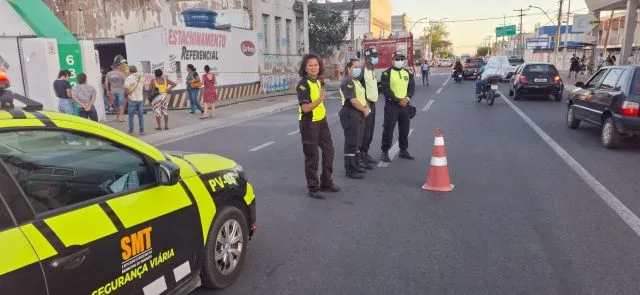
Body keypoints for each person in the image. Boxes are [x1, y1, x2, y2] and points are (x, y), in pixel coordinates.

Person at [296, 54, 339, 199]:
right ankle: (313, 187)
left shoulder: (318, 81)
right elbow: (306, 108)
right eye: (310, 65)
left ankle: (326, 182)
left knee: (329, 151)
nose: (314, 67)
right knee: (312, 156)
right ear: (305, 68)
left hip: (322, 121)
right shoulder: (303, 84)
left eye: (316, 65)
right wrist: (320, 99)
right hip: (309, 123)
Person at [380, 51, 415, 162]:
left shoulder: (407, 73)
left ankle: (403, 150)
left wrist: (407, 98)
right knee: (388, 129)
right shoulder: (386, 74)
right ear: (392, 60)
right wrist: (397, 100)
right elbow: (386, 90)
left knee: (404, 129)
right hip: (392, 106)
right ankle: (385, 151)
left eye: (401, 59)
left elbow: (411, 88)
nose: (400, 61)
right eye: (397, 59)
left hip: (405, 105)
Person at [340, 59, 371, 179]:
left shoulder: (356, 81)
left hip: (359, 113)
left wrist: (366, 106)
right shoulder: (347, 81)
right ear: (349, 69)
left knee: (358, 141)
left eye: (359, 67)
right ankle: (350, 169)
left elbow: (362, 97)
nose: (358, 69)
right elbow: (353, 100)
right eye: (355, 67)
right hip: (350, 113)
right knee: (351, 142)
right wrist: (364, 110)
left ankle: (356, 164)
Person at [358, 48, 380, 165]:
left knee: (370, 131)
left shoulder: (371, 69)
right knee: (365, 131)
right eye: (374, 56)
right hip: (366, 105)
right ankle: (361, 155)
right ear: (367, 57)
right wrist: (364, 103)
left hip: (373, 104)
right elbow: (357, 87)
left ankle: (365, 152)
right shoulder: (362, 70)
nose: (377, 58)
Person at [124, 65, 145, 135]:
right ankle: (142, 130)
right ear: (135, 70)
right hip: (140, 99)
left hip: (132, 99)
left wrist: (126, 94)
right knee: (141, 116)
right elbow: (143, 87)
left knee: (131, 116)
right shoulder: (141, 77)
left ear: (130, 71)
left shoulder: (128, 78)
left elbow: (126, 89)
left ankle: (131, 131)